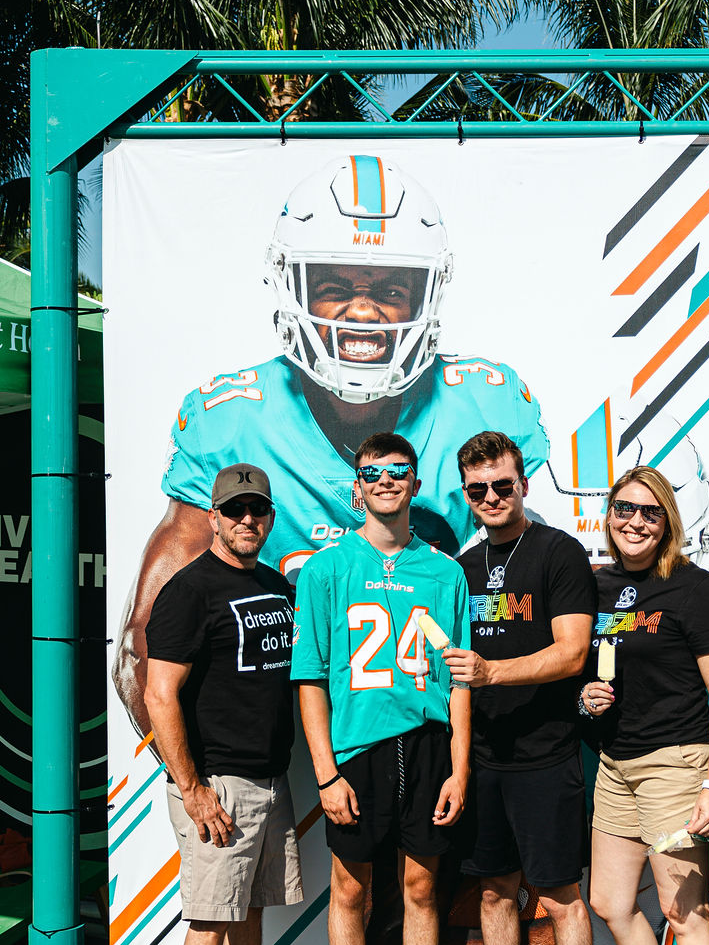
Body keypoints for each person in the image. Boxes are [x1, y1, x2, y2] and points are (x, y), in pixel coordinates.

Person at [114, 152, 549, 736]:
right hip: (282, 727)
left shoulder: (484, 405)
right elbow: (144, 644)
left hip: (437, 718)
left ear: (427, 293)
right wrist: (195, 775)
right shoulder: (232, 421)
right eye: (334, 286)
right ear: (291, 286)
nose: (363, 310)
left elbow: (539, 588)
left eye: (391, 288)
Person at [291, 431, 472, 945]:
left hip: (426, 746)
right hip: (357, 751)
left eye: (400, 470)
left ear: (415, 484)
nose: (387, 481)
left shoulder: (446, 572)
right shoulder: (326, 569)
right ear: (357, 487)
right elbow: (310, 679)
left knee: (422, 889)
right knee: (350, 891)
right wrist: (326, 772)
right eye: (374, 472)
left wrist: (459, 768)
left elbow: (460, 681)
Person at [144, 463, 315, 945]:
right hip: (218, 787)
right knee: (210, 921)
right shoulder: (189, 591)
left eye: (258, 510)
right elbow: (159, 695)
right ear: (213, 517)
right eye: (235, 510)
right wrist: (193, 789)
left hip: (269, 777)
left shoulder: (274, 585)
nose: (248, 520)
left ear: (270, 517)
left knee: (249, 911)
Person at [442, 430, 597, 945]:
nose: (491, 497)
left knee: (560, 898)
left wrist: (492, 672)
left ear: (524, 484)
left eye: (502, 484)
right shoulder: (462, 567)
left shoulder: (559, 552)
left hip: (547, 755)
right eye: (477, 489)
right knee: (494, 891)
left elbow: (572, 652)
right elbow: (453, 673)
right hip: (484, 759)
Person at [580, 465, 709, 945]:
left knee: (684, 911)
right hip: (615, 764)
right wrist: (584, 697)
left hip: (676, 765)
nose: (635, 522)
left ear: (668, 521)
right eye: (625, 509)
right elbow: (586, 669)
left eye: (650, 512)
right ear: (609, 516)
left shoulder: (695, 588)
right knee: (610, 902)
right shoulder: (597, 587)